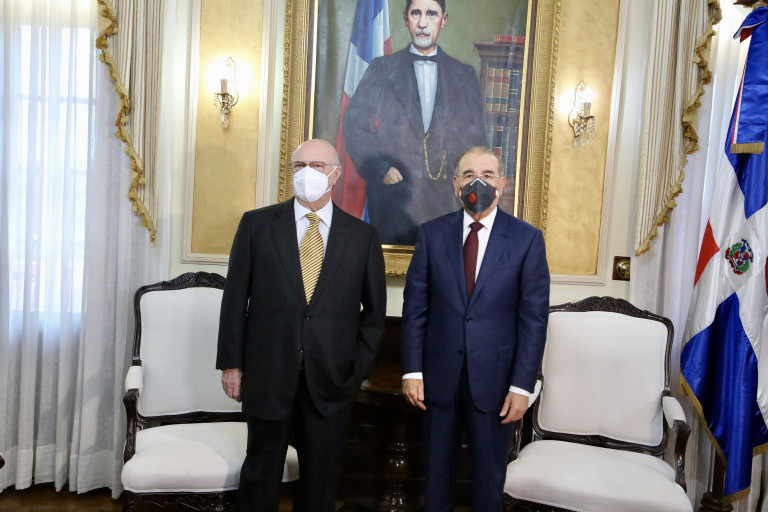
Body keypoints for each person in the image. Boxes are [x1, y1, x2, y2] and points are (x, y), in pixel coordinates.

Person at [216, 139, 387, 512]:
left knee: (320, 483)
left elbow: (374, 314)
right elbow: (234, 299)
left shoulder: (362, 237)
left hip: (331, 380)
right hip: (267, 374)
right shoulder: (257, 225)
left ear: (336, 175)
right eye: (299, 166)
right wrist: (231, 364)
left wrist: (357, 370)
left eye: (318, 166)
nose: (307, 173)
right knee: (260, 475)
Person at [401, 146, 549, 511]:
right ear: (455, 184)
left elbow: (533, 319)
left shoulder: (527, 239)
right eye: (468, 175)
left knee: (488, 483)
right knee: (436, 479)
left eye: (487, 175)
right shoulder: (431, 234)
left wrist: (522, 386)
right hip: (437, 380)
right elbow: (415, 309)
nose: (477, 183)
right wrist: (412, 371)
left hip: (497, 384)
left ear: (502, 184)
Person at [342, 0, 487, 246]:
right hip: (395, 201)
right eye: (416, 13)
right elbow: (355, 124)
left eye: (431, 14)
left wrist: (465, 182)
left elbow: (477, 140)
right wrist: (381, 170)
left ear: (443, 20)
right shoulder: (381, 68)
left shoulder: (464, 75)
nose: (422, 23)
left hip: (447, 202)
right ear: (406, 18)